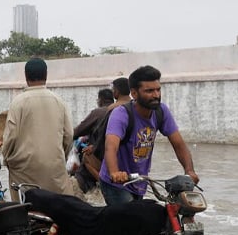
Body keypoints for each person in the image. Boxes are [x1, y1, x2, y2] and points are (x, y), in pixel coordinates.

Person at [100, 65, 199, 205]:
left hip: (140, 181)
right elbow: (111, 147)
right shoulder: (121, 114)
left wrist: (190, 171)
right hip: (116, 184)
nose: (156, 95)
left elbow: (179, 144)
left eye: (158, 89)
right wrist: (115, 173)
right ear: (134, 93)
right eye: (149, 91)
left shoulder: (161, 111)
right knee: (129, 220)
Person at [2, 58, 75, 199]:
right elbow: (69, 135)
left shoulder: (18, 102)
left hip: (24, 169)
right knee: (58, 208)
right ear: (46, 75)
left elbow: (11, 137)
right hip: (54, 168)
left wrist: (8, 160)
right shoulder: (58, 101)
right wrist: (60, 156)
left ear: (26, 75)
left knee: (25, 210)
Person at [71, 88, 114, 193]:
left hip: (98, 157)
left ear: (100, 100)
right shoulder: (121, 110)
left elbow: (77, 132)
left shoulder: (98, 112)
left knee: (82, 173)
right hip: (116, 160)